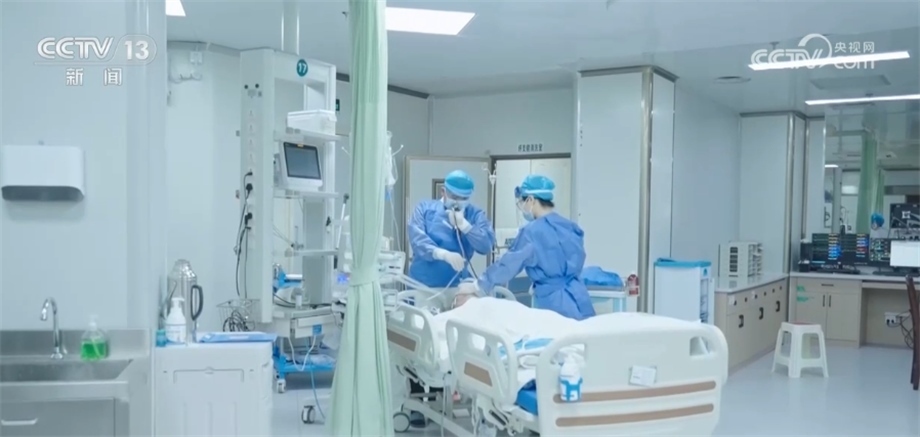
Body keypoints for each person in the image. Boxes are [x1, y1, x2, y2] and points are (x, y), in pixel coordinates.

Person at [405, 169, 495, 428]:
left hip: (458, 287)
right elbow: (416, 238)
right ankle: (419, 400)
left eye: (463, 198)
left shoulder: (474, 215)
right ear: (443, 191)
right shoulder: (424, 209)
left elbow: (486, 244)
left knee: (454, 342)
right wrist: (441, 254)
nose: (458, 202)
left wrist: (465, 226)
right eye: (454, 196)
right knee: (424, 341)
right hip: (425, 285)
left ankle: (451, 394)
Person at [459, 174, 595, 321]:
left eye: (522, 202)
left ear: (530, 200)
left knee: (560, 334)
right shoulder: (569, 226)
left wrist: (479, 284)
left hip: (555, 304)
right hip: (580, 297)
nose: (522, 207)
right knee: (584, 333)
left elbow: (508, 264)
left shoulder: (532, 232)